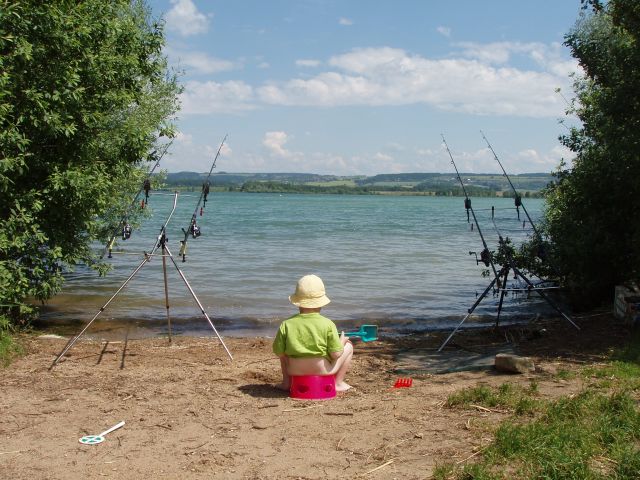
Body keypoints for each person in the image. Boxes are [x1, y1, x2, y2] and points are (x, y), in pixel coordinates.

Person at [273, 274, 353, 392]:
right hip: (322, 370)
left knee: (283, 352)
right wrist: (342, 341)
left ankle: (286, 382)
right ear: (321, 302)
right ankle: (338, 383)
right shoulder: (327, 323)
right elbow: (335, 354)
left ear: (297, 302)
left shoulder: (286, 324)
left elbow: (278, 352)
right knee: (348, 346)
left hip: (294, 369)